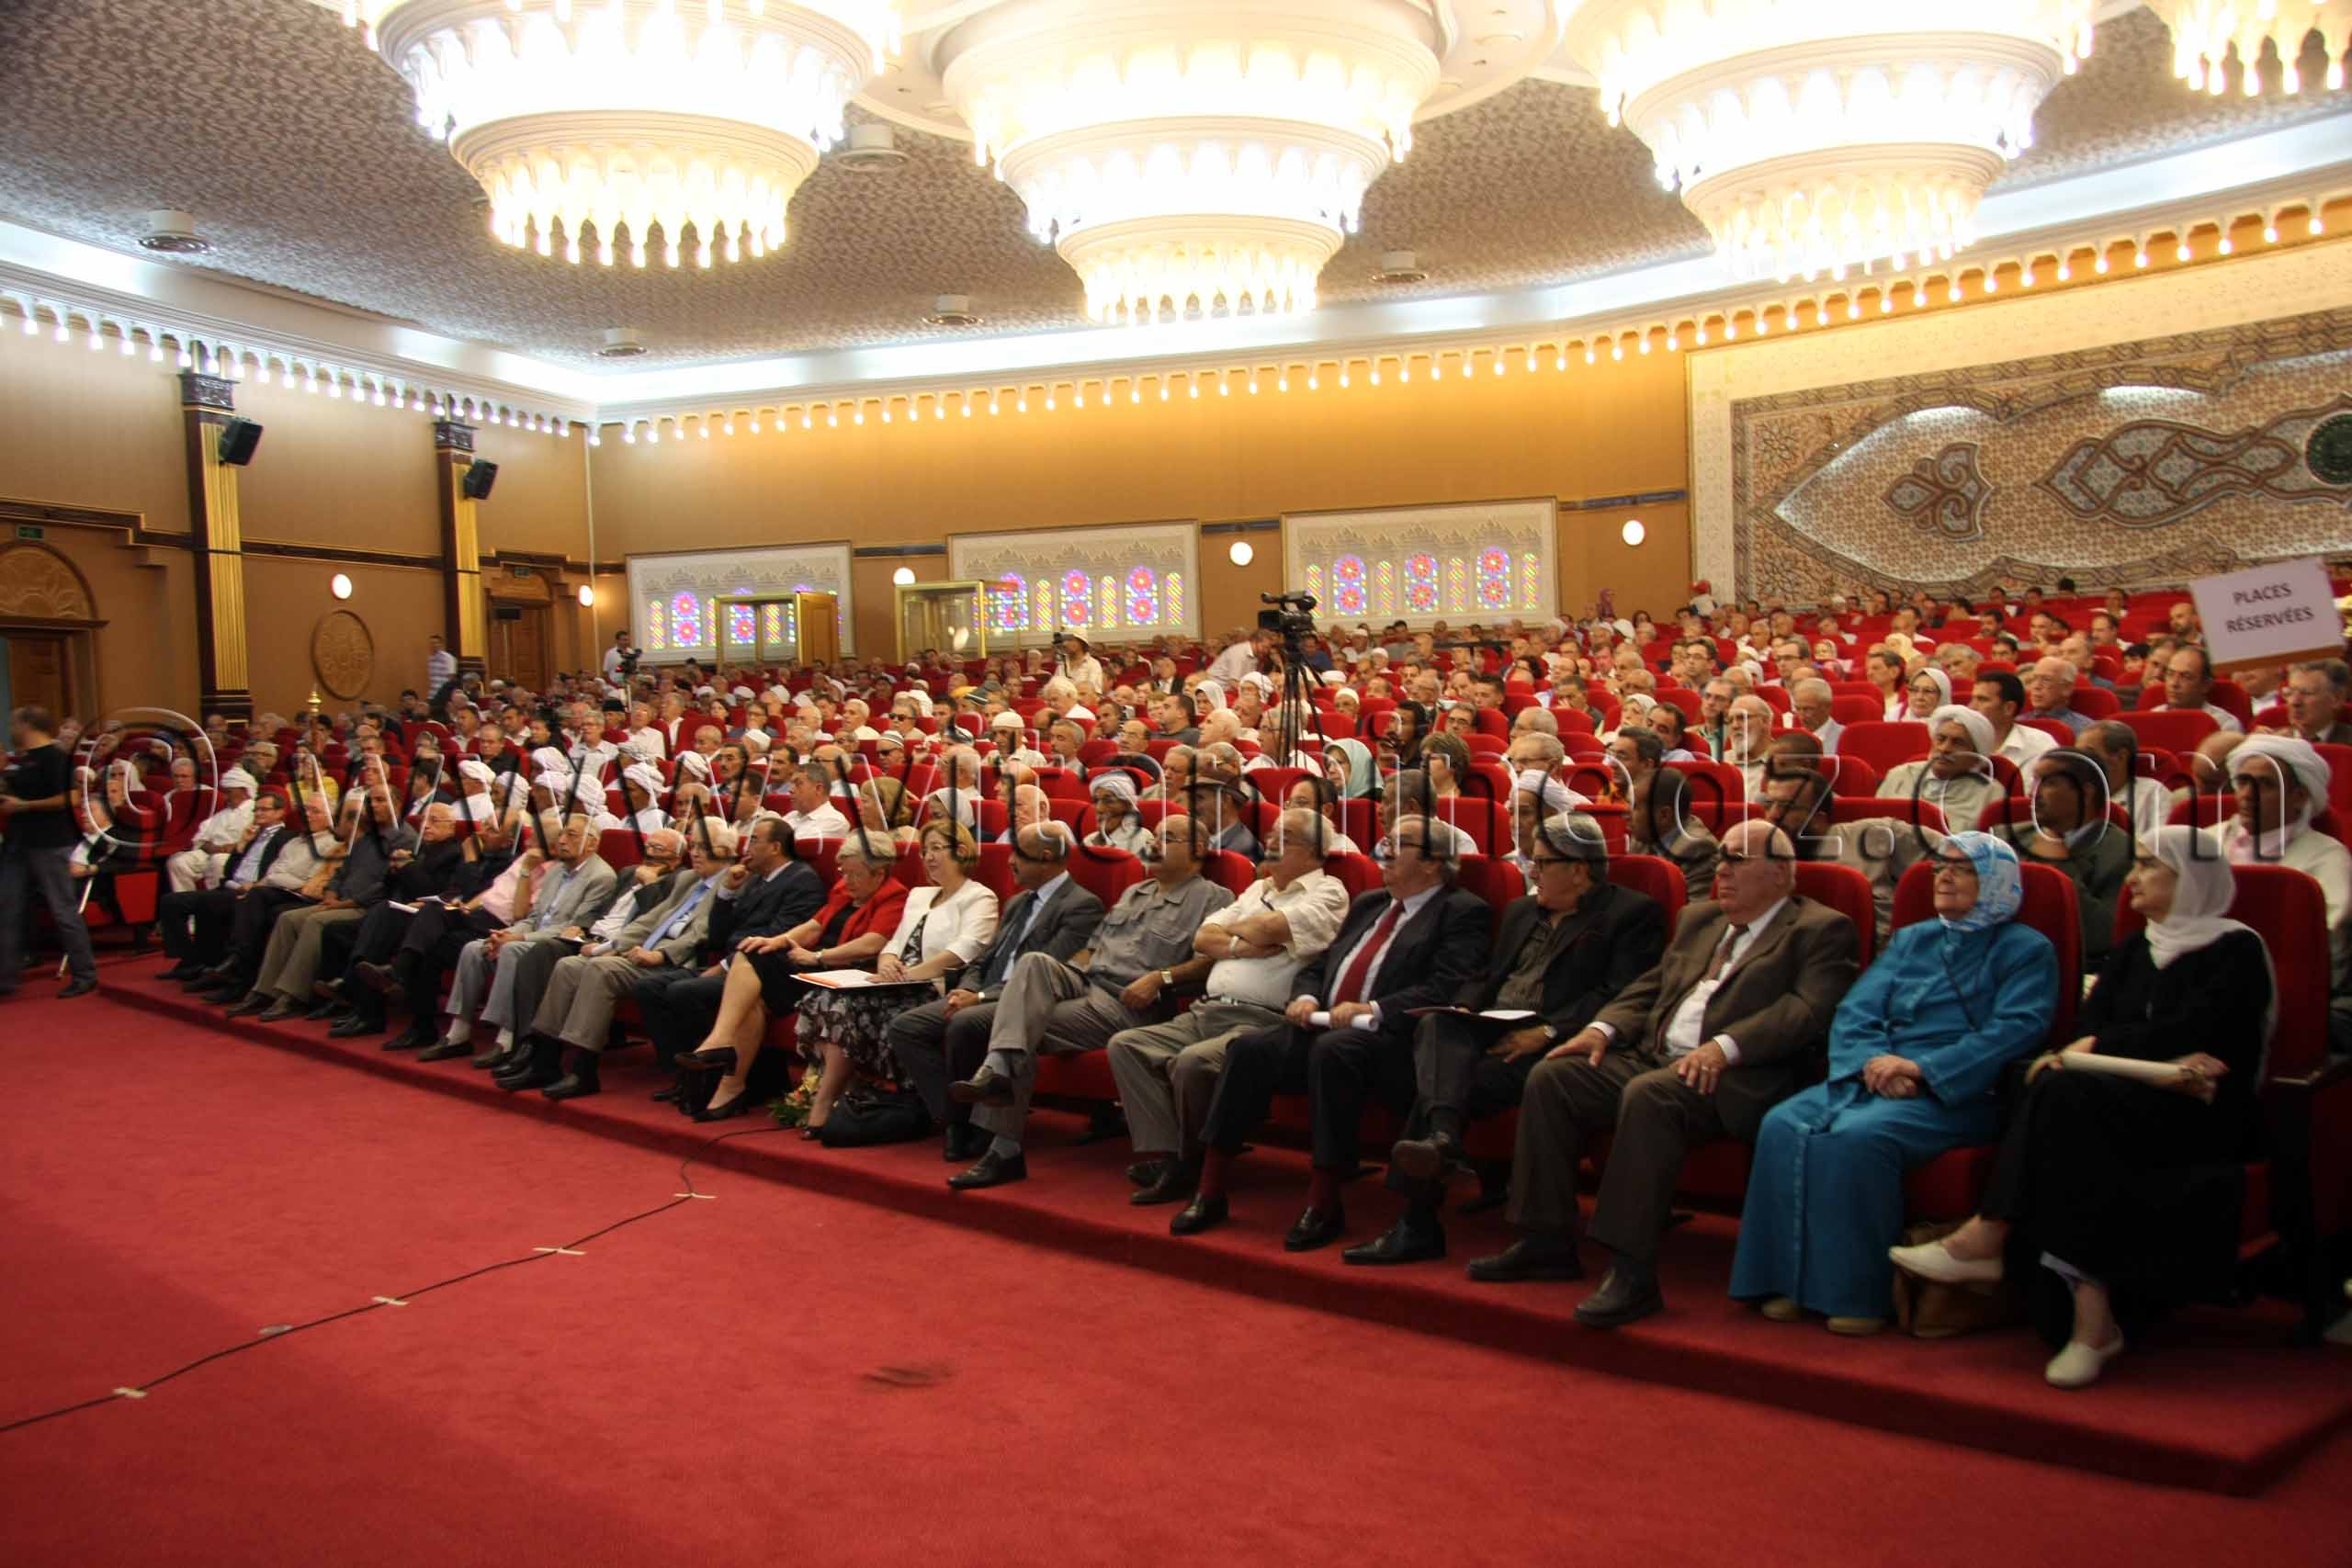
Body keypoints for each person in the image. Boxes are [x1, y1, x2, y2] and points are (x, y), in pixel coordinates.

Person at [1891, 827, 2272, 1388]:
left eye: (2148, 866)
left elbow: (2206, 1033)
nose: (2132, 879)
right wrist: (2114, 1046)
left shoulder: (2236, 949)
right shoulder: (2135, 947)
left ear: (2190, 879)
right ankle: (2091, 1320)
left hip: (2199, 1116)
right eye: (2136, 863)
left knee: (2062, 1095)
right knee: (2066, 1102)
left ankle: (1989, 1236)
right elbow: (2093, 1030)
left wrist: (2108, 1047)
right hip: (2116, 1102)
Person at [1469, 819, 1862, 1325]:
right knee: (1555, 1075)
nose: (1723, 871)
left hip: (1735, 1077)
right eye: (1721, 858)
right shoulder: (1702, 919)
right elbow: (1651, 985)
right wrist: (1601, 1029)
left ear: (1782, 873)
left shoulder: (1820, 928)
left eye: (1738, 860)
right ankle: (1546, 1239)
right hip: (1654, 1057)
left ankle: (1632, 1271)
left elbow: (1806, 1010)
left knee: (1650, 1096)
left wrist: (1724, 1047)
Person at [1730, 832, 2057, 1334]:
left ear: (1996, 881)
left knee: (1856, 1139)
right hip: (1875, 1076)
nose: (1943, 877)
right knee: (1782, 1124)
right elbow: (1859, 1009)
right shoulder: (1913, 938)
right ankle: (1791, 1286)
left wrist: (1923, 1071)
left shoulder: (2027, 950)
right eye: (1938, 868)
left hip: (1961, 1091)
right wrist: (1872, 1064)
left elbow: (2015, 1030)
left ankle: (1856, 1297)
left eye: (1961, 869)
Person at [1352, 813, 1668, 1265]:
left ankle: (1417, 1219)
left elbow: (1619, 994)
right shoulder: (1523, 911)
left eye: (1540, 863)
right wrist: (1462, 1008)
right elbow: (1487, 976)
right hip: (1493, 1027)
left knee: (1445, 1085)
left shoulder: (1630, 914)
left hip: (1557, 1040)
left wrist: (1545, 1031)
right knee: (1437, 1027)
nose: (1530, 872)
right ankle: (1442, 1140)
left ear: (1579, 869)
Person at [1168, 815, 1489, 1248]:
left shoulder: (1462, 911)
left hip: (1393, 1040)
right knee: (1248, 1049)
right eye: (1386, 841)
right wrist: (1306, 997)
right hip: (1325, 1023)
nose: (1384, 850)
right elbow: (1320, 963)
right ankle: (1210, 1188)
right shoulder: (1371, 903)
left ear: (1433, 863)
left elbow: (1446, 987)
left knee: (1334, 1051)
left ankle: (1324, 1202)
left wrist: (1372, 1007)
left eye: (1399, 844)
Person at [944, 824, 1234, 1190]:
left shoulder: (1214, 898)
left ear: (1200, 848)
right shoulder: (1134, 892)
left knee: (1018, 1027)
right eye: (1153, 837)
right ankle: (997, 1072)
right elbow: (1091, 949)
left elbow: (1209, 961)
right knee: (1034, 964)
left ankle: (1003, 1149)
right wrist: (1069, 975)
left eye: (1167, 838)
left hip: (1128, 1002)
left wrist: (1161, 978)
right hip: (1087, 984)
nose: (1154, 843)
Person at [1111, 809, 1351, 1204]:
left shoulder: (1329, 891)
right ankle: (1173, 1156)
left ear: (1314, 852)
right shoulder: (1258, 891)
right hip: (1207, 1010)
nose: (1271, 841)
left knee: (1192, 1062)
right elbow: (1203, 937)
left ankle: (1191, 1166)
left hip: (1262, 1021)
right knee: (1126, 1045)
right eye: (1271, 834)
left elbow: (1268, 929)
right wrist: (1244, 944)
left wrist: (1243, 930)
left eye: (1284, 837)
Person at [888, 824, 1107, 1160]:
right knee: (905, 1027)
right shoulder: (1019, 901)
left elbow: (1046, 977)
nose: (1008, 863)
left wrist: (980, 999)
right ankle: (958, 1119)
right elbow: (983, 959)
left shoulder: (1081, 905)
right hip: (982, 992)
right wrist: (967, 989)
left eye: (1017, 854)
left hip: (1024, 1002)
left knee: (964, 1023)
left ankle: (965, 1129)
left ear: (1046, 859)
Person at [682, 837, 910, 1122]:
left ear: (879, 873)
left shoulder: (895, 897)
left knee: (754, 967)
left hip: (841, 973)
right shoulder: (844, 889)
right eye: (843, 872)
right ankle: (731, 1082)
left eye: (855, 874)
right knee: (753, 966)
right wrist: (777, 941)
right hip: (811, 962)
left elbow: (870, 944)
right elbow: (815, 924)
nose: (847, 880)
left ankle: (723, 1051)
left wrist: (819, 957)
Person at [791, 821, 1000, 1124]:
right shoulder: (919, 895)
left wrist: (909, 974)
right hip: (894, 982)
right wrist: (887, 961)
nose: (928, 856)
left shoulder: (980, 898)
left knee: (841, 1006)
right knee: (819, 998)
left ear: (962, 852)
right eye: (925, 850)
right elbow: (895, 942)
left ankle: (826, 1103)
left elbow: (961, 952)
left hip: (931, 987)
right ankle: (846, 1096)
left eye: (937, 849)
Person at [500, 827, 731, 1100]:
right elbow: (651, 919)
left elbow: (702, 932)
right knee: (570, 965)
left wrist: (661, 955)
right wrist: (608, 946)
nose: (695, 852)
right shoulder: (689, 879)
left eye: (703, 847)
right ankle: (545, 1060)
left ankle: (584, 1069)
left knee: (601, 970)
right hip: (642, 950)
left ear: (726, 852)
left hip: (677, 961)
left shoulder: (730, 883)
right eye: (694, 846)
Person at [2204, 736, 2352, 1050]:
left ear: (2299, 797)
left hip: (2285, 997)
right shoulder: (2205, 843)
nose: (2247, 795)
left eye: (2266, 784)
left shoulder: (2327, 857)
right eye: (2242, 781)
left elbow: (2327, 951)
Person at [1986, 749, 2131, 968]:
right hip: (1996, 959)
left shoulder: (2122, 852)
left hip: (2067, 968)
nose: (2033, 793)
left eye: (2048, 783)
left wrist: (2057, 864)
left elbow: (2101, 937)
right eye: (2034, 780)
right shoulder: (2003, 837)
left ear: (2085, 793)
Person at [0, 706, 98, 998]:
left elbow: (71, 797)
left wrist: (24, 806)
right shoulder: (20, 762)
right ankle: (5, 977)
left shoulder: (56, 758)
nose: (11, 728)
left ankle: (84, 973)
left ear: (28, 725)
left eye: (14, 722)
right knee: (7, 908)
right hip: (18, 843)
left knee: (63, 909)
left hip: (51, 843)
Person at [1879, 705, 2004, 835]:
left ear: (1976, 757)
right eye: (1941, 739)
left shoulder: (1990, 793)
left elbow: (2000, 849)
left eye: (1957, 743)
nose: (1944, 749)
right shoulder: (1900, 775)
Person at [1627, 765, 1721, 904]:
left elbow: (1694, 916)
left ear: (1664, 815)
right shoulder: (1642, 836)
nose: (1626, 814)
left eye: (1635, 807)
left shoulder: (1699, 849)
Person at [1971, 671, 2057, 767]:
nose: (1971, 707)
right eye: (1973, 699)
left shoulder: (2041, 745)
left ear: (2009, 708)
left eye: (1982, 699)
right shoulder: (1961, 742)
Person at [2152, 644, 2242, 733]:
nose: (2174, 683)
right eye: (2170, 674)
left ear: (2205, 685)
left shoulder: (2223, 725)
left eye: (2186, 677)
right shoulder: (2153, 716)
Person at [2275, 660, 2352, 745]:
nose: (2294, 702)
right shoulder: (2272, 741)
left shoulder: (2348, 744)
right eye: (2290, 692)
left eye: (2307, 692)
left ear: (2337, 698)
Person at [2020, 657, 2095, 736]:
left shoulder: (2084, 729)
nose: (2036, 686)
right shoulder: (2018, 722)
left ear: (2067, 688)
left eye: (2046, 679)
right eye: (2034, 679)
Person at [1083, 771, 1152, 856]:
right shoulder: (1089, 840)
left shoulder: (1141, 838)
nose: (1099, 808)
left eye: (1109, 801)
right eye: (1096, 801)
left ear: (1128, 805)